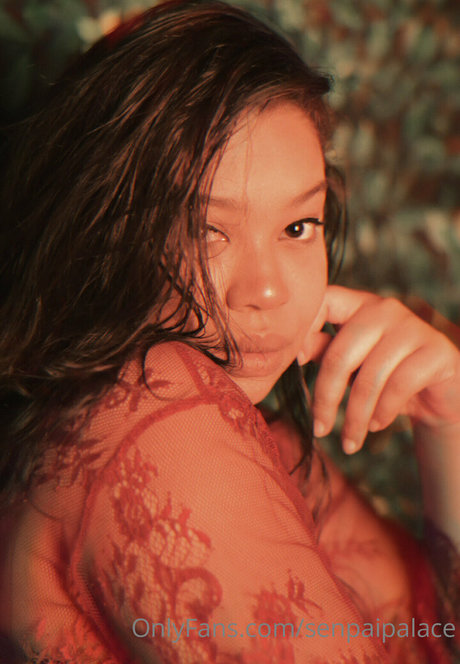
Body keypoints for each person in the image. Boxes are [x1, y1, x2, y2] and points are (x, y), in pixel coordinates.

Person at [0, 1, 459, 662]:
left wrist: (448, 420)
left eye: (298, 226)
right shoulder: (163, 410)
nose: (267, 291)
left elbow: (429, 643)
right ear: (102, 233)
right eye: (204, 230)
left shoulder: (264, 442)